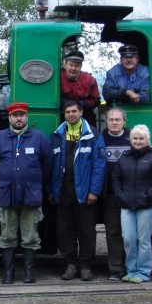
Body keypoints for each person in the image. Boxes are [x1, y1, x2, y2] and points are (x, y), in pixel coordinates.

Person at [0, 102, 53, 284]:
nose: (19, 118)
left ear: (27, 117)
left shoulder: (39, 138)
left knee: (31, 235)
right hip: (6, 194)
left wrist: (34, 181)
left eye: (22, 115)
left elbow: (47, 164)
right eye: (15, 115)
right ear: (9, 118)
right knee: (7, 235)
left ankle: (29, 272)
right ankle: (8, 273)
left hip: (31, 195)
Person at [49, 100, 106, 281]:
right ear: (64, 114)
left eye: (74, 111)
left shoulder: (93, 135)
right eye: (68, 112)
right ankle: (70, 264)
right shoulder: (57, 135)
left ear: (81, 112)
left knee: (86, 231)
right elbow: (51, 165)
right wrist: (52, 190)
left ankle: (86, 266)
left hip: (84, 192)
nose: (71, 114)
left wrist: (94, 192)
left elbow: (99, 166)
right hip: (63, 190)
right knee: (65, 230)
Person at [111, 124, 152, 283]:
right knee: (128, 238)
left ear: (147, 140)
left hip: (147, 206)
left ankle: (143, 271)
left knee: (144, 239)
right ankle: (131, 270)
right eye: (135, 138)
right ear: (131, 139)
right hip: (127, 205)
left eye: (141, 138)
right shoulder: (124, 158)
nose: (138, 141)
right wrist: (120, 195)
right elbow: (116, 178)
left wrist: (148, 196)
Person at [101, 107, 130, 280]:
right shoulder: (100, 139)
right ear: (106, 121)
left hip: (129, 193)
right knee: (113, 232)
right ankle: (115, 268)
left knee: (130, 233)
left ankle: (131, 265)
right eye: (111, 119)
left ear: (123, 121)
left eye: (117, 119)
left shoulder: (132, 137)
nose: (114, 122)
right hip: (109, 194)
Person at [60, 50, 101, 126]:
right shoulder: (58, 77)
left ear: (81, 67)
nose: (73, 68)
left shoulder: (90, 80)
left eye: (76, 66)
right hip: (62, 115)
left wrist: (80, 105)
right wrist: (66, 103)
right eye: (71, 65)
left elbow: (96, 100)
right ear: (65, 64)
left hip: (85, 116)